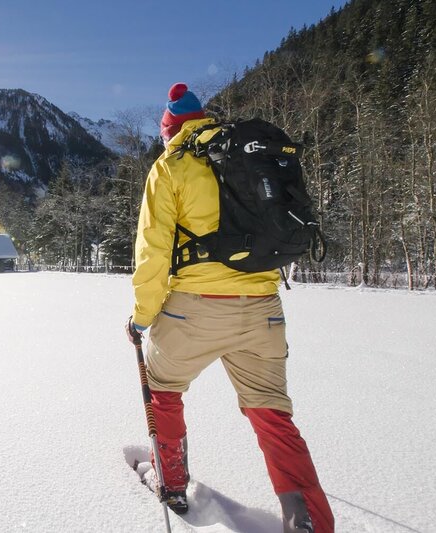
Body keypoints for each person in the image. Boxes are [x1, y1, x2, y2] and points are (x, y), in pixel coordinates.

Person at [125, 82, 334, 533]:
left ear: (170, 129)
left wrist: (141, 318)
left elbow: (153, 254)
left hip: (192, 311)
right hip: (262, 308)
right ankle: (309, 522)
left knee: (161, 389)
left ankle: (173, 483)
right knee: (272, 414)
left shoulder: (171, 167)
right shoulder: (247, 157)